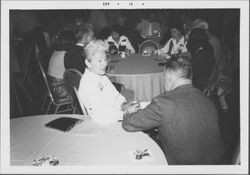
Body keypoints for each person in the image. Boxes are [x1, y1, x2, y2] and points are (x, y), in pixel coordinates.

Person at [122, 57, 226, 165]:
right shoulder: (207, 101)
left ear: (168, 78)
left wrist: (127, 110)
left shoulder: (163, 103)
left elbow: (128, 124)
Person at [78, 40, 139, 125]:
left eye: (105, 59)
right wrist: (125, 113)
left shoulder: (100, 76)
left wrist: (124, 104)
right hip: (107, 125)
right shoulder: (88, 85)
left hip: (115, 114)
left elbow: (115, 95)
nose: (105, 64)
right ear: (88, 63)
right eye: (99, 61)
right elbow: (102, 117)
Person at [47, 30, 75, 100]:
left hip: (53, 88)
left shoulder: (56, 52)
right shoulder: (65, 55)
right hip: (61, 91)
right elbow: (75, 72)